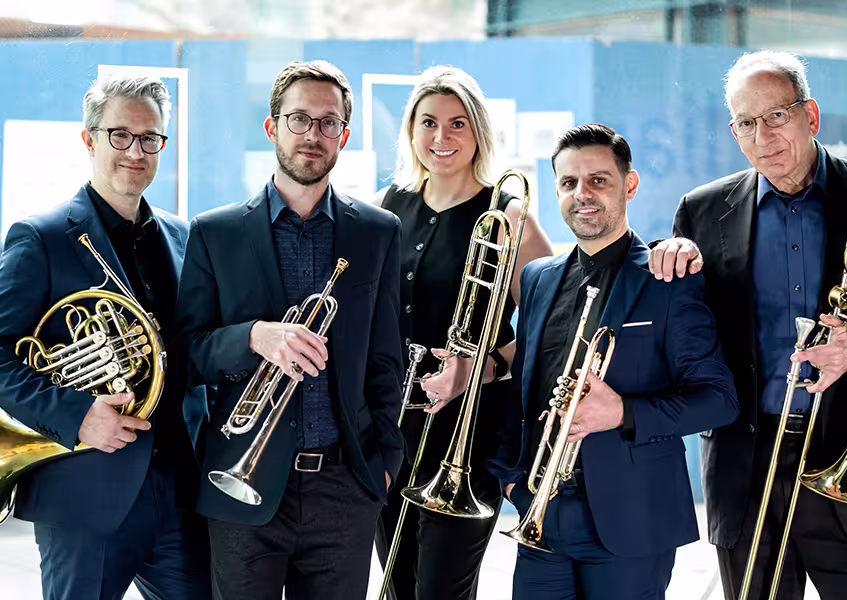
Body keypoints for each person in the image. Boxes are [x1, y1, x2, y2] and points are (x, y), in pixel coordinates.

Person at [649, 50, 847, 599]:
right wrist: (669, 267)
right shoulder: (700, 210)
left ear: (811, 115)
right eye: (745, 122)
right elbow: (685, 338)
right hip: (748, 466)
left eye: (777, 116)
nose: (762, 135)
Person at [175, 59, 404, 600]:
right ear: (272, 127)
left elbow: (387, 360)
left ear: (344, 136)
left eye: (328, 123)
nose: (313, 135)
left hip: (345, 488)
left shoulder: (378, 232)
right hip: (240, 485)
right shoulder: (215, 232)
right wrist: (253, 336)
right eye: (299, 119)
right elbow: (185, 354)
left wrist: (384, 466)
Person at [490, 123, 739, 600]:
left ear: (630, 184)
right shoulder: (538, 278)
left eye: (598, 180)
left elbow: (718, 401)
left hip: (632, 519)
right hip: (538, 514)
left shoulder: (669, 279)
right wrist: (511, 480)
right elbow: (524, 385)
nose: (582, 194)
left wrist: (622, 412)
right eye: (568, 183)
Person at [0, 74, 210, 599]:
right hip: (85, 487)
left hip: (181, 489)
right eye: (120, 135)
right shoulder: (41, 237)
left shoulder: (184, 237)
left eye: (149, 138)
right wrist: (78, 415)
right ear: (89, 139)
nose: (135, 152)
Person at [373, 65, 553, 600]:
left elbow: (551, 329)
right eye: (428, 123)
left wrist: (483, 366)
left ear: (478, 132)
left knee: (442, 590)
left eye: (457, 124)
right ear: (410, 130)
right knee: (396, 584)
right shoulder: (390, 205)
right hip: (392, 428)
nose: (441, 138)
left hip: (469, 434)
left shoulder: (507, 212)